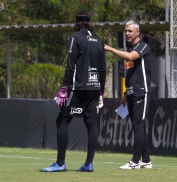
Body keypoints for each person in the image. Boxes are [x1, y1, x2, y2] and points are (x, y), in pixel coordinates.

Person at [41, 10, 106, 172]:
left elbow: (70, 66)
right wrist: (101, 91)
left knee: (62, 120)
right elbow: (103, 68)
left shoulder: (74, 39)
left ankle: (60, 163)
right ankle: (89, 163)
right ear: (90, 22)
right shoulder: (99, 40)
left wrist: (64, 87)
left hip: (78, 88)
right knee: (91, 123)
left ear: (77, 23)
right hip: (94, 88)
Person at [104, 20, 152, 169]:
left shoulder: (142, 46)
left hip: (141, 92)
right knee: (138, 127)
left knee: (138, 126)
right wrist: (125, 93)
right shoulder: (131, 48)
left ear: (138, 32)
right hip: (132, 93)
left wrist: (111, 49)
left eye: (130, 31)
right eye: (125, 31)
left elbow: (130, 57)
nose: (127, 33)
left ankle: (135, 161)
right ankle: (146, 160)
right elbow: (131, 74)